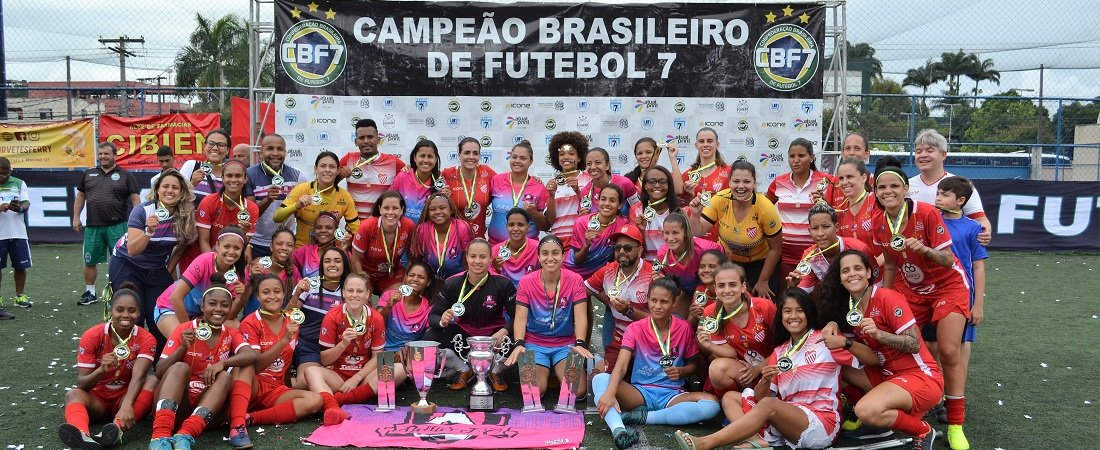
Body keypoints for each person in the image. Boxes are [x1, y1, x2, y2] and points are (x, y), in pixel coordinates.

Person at [673, 289, 878, 450]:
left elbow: (872, 359)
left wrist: (845, 342)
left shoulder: (826, 339)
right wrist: (764, 379)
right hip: (787, 419)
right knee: (731, 398)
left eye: (799, 310)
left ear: (808, 313)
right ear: (781, 316)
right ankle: (756, 441)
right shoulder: (779, 351)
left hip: (821, 422)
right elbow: (763, 398)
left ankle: (706, 443)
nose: (793, 316)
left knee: (771, 405)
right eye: (787, 311)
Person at [873, 157, 971, 449]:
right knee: (888, 340)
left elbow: (947, 258)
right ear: (875, 191)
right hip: (910, 289)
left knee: (950, 351)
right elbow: (890, 266)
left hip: (946, 286)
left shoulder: (926, 212)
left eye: (894, 186)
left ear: (906, 189)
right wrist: (884, 301)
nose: (887, 191)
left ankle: (955, 424)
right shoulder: (879, 223)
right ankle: (903, 401)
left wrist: (925, 250)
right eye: (881, 187)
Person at [820, 250, 944, 450]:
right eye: (845, 271)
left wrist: (879, 334)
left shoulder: (887, 297)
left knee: (866, 410)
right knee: (833, 370)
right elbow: (872, 359)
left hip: (919, 375)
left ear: (869, 273)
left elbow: (914, 344)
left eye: (858, 268)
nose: (852, 274)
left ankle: (921, 429)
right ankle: (879, 423)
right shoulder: (849, 307)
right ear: (840, 279)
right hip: (886, 373)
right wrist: (838, 331)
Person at [593, 278, 720, 449]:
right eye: (653, 300)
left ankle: (644, 418)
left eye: (664, 301)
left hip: (672, 395)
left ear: (674, 303)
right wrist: (610, 393)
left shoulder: (684, 328)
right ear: (648, 299)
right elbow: (621, 366)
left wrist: (682, 372)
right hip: (640, 393)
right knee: (600, 379)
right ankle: (619, 431)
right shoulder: (635, 328)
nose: (657, 306)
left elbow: (693, 365)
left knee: (711, 405)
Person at [148, 274, 258, 450]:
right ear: (202, 306)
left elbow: (251, 356)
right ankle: (160, 436)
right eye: (212, 304)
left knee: (224, 377)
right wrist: (182, 348)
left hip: (207, 410)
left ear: (230, 309)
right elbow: (160, 371)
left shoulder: (230, 333)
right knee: (180, 367)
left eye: (224, 305)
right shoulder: (184, 330)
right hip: (177, 405)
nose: (218, 309)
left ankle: (186, 435)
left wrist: (222, 363)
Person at [924, 176, 989, 449]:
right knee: (928, 347)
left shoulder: (973, 228)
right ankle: (933, 399)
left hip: (960, 300)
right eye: (938, 193)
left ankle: (954, 417)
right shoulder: (929, 221)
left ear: (961, 200)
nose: (939, 197)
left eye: (945, 194)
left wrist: (978, 304)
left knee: (955, 354)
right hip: (929, 295)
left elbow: (978, 267)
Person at [228, 274, 323, 448]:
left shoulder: (291, 321)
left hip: (274, 389)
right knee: (246, 365)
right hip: (252, 384)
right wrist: (283, 341)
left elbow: (287, 363)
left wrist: (287, 387)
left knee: (315, 400)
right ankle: (237, 425)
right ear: (258, 297)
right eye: (266, 292)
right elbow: (255, 366)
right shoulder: (250, 322)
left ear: (284, 294)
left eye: (277, 291)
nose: (272, 296)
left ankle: (251, 418)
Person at [59, 283, 158, 449]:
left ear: (139, 313)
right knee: (73, 395)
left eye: (131, 310)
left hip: (126, 399)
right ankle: (83, 437)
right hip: (97, 401)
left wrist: (126, 405)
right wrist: (101, 371)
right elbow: (82, 384)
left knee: (152, 380)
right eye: (119, 309)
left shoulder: (146, 338)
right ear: (110, 311)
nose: (125, 315)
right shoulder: (92, 335)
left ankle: (116, 430)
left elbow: (139, 376)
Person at [109, 169, 197, 349]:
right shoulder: (142, 210)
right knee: (134, 315)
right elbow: (133, 249)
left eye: (175, 187)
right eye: (165, 186)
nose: (169, 191)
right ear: (157, 190)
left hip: (156, 267)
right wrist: (149, 231)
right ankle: (127, 359)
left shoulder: (186, 215)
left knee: (159, 313)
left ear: (181, 192)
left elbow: (180, 249)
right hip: (127, 263)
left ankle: (159, 362)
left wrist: (167, 271)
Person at [424, 239, 517, 392]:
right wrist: (442, 320)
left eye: (483, 257)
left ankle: (496, 370)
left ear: (490, 259)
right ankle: (462, 368)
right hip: (463, 338)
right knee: (428, 341)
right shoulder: (452, 283)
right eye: (473, 256)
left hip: (494, 340)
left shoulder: (503, 283)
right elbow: (433, 316)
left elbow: (517, 318)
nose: (477, 261)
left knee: (523, 341)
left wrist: (504, 332)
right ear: (466, 257)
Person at [505, 235, 593, 397]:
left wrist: (579, 343)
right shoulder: (526, 281)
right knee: (533, 392)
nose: (550, 258)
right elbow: (520, 318)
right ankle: (547, 371)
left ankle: (555, 370)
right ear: (538, 257)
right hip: (534, 343)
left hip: (565, 343)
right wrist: (518, 344)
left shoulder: (575, 280)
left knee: (577, 391)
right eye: (545, 253)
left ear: (563, 255)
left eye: (555, 253)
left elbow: (580, 316)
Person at [689, 160, 783, 299]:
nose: (740, 186)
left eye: (746, 182)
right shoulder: (720, 199)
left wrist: (763, 281)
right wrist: (695, 214)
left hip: (760, 264)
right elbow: (698, 232)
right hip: (729, 261)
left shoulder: (765, 208)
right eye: (736, 181)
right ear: (730, 182)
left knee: (761, 306)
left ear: (754, 183)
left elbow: (775, 249)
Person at [305, 274, 386, 425]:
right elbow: (324, 360)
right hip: (338, 376)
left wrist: (357, 378)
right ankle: (336, 406)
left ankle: (335, 401)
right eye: (350, 290)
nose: (354, 295)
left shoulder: (376, 318)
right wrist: (343, 344)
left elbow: (378, 358)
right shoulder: (332, 316)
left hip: (364, 376)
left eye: (359, 291)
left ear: (368, 294)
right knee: (310, 371)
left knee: (396, 369)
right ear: (343, 293)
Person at [74, 142, 141, 306]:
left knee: (121, 260)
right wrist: (76, 217)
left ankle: (119, 292)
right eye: (101, 154)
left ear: (114, 155)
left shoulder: (125, 175)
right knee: (89, 260)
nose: (103, 157)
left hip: (118, 226)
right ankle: (90, 292)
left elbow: (135, 199)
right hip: (93, 226)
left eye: (106, 154)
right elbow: (80, 196)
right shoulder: (89, 174)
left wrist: (137, 220)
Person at [154, 227, 248, 340]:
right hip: (170, 307)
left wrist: (240, 298)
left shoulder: (240, 274)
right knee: (186, 341)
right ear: (217, 246)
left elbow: (229, 317)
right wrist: (190, 329)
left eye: (237, 248)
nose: (231, 252)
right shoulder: (204, 261)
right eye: (226, 246)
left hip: (200, 315)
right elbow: (175, 297)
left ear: (242, 250)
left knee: (237, 327)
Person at [767, 138, 840, 282]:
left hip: (818, 253)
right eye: (792, 156)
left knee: (816, 298)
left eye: (801, 156)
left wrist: (826, 202)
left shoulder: (827, 180)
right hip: (784, 255)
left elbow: (839, 212)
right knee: (787, 296)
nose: (796, 160)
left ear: (812, 157)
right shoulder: (779, 182)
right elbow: (764, 208)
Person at [697, 263, 776, 396]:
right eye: (721, 285)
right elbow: (731, 354)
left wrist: (757, 369)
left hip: (773, 366)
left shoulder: (764, 307)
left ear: (743, 286)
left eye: (733, 284)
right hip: (744, 372)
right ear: (715, 289)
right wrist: (709, 345)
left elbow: (785, 346)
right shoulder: (711, 312)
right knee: (717, 368)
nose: (727, 290)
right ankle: (737, 400)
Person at [584, 224, 654, 373]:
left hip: (648, 342)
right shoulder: (608, 270)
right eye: (617, 248)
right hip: (620, 340)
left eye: (628, 248)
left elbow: (660, 320)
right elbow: (581, 292)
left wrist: (628, 310)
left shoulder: (652, 275)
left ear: (640, 250)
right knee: (598, 376)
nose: (621, 252)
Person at [905, 129, 991, 245]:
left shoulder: (960, 185)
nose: (923, 155)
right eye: (918, 151)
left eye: (930, 151)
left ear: (943, 154)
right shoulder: (906, 187)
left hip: (949, 252)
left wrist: (985, 232)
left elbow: (980, 219)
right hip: (914, 252)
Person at [287, 246, 349, 390]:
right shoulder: (310, 284)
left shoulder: (349, 290)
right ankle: (275, 385)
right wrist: (297, 294)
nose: (332, 264)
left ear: (345, 265)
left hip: (337, 348)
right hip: (309, 346)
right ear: (322, 265)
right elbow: (287, 315)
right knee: (306, 382)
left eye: (337, 261)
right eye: (327, 261)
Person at [786, 202, 881, 294]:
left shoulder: (859, 249)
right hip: (833, 304)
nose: (820, 233)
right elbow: (803, 293)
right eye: (815, 228)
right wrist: (793, 288)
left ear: (837, 227)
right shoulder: (809, 256)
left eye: (826, 226)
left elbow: (878, 285)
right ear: (809, 231)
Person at [274, 151, 359, 247]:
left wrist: (350, 238)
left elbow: (356, 229)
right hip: (302, 251)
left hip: (330, 253)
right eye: (323, 166)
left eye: (332, 167)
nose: (327, 170)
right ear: (316, 168)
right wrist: (296, 206)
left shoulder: (345, 197)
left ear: (338, 171)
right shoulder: (302, 189)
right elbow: (277, 217)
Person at [245, 133, 303, 260]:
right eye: (270, 148)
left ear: (286, 152)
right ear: (261, 153)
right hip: (257, 242)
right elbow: (250, 214)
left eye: (280, 149)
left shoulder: (297, 176)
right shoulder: (249, 174)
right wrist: (268, 200)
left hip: (285, 243)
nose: (275, 153)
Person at [654, 213, 721, 317]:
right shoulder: (662, 254)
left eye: (675, 233)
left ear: (685, 232)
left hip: (710, 291)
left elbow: (727, 256)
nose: (670, 238)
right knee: (677, 320)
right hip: (685, 293)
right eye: (666, 233)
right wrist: (664, 280)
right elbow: (673, 285)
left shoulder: (705, 248)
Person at [338, 119, 406, 220]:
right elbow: (328, 183)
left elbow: (413, 180)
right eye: (361, 138)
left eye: (370, 137)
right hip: (355, 227)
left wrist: (409, 169)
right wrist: (339, 175)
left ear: (378, 139)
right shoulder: (348, 159)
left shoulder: (393, 162)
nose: (366, 141)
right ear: (356, 142)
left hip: (382, 226)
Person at [350, 191, 415, 295]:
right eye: (386, 208)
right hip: (365, 272)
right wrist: (361, 278)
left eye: (395, 208)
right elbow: (355, 259)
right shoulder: (366, 226)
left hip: (391, 274)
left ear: (402, 210)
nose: (390, 212)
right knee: (363, 302)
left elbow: (412, 256)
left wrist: (407, 278)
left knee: (396, 300)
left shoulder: (408, 226)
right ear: (380, 209)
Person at [487, 140, 549, 245]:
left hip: (527, 250)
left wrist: (534, 213)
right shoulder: (496, 180)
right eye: (514, 157)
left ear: (531, 161)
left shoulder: (539, 187)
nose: (517, 161)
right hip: (496, 246)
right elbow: (482, 204)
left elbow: (545, 226)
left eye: (523, 158)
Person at [564, 184, 631, 279]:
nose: (607, 203)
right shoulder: (581, 223)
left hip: (600, 277)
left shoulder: (623, 224)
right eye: (603, 199)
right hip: (572, 273)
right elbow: (577, 261)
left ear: (620, 205)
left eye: (612, 200)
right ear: (598, 201)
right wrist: (586, 245)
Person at [196, 160, 260, 255]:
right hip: (205, 255)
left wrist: (240, 233)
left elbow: (241, 245)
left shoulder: (252, 209)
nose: (233, 180)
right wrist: (212, 264)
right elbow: (204, 241)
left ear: (245, 179)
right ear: (222, 178)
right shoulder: (208, 202)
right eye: (229, 176)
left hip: (230, 256)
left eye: (238, 176)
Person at [409, 193, 474, 285]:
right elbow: (416, 259)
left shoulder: (462, 227)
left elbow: (467, 260)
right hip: (431, 280)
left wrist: (467, 283)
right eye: (432, 209)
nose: (438, 212)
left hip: (458, 280)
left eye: (442, 208)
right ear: (428, 212)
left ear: (451, 210)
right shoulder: (422, 230)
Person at [238, 227, 298, 318]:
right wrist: (251, 280)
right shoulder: (257, 264)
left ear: (294, 249)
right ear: (271, 246)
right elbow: (242, 301)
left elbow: (293, 306)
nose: (284, 248)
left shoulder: (293, 271)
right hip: (251, 323)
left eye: (289, 245)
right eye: (279, 244)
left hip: (276, 325)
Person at [375, 261, 433, 355]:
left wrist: (407, 350)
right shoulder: (389, 295)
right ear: (405, 277)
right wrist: (388, 306)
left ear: (428, 282)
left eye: (421, 277)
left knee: (403, 369)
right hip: (384, 351)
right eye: (411, 275)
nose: (415, 279)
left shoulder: (428, 307)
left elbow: (428, 338)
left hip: (412, 354)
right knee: (385, 369)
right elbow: (376, 325)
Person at [440, 137, 495, 238]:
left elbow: (507, 183)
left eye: (475, 153)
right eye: (466, 153)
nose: (471, 156)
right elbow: (427, 182)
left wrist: (530, 179)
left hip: (478, 240)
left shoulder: (487, 173)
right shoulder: (447, 175)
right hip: (453, 239)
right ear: (459, 155)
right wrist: (407, 169)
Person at [544, 131, 589, 248]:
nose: (566, 157)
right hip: (558, 244)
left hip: (582, 242)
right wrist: (552, 196)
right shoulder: (552, 184)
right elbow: (549, 220)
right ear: (557, 158)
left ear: (579, 158)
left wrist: (578, 191)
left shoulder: (589, 180)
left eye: (571, 153)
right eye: (562, 154)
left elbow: (593, 210)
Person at [0, 157, 32, 311]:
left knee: (20, 266)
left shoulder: (19, 183)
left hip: (18, 233)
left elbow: (26, 203)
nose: (2, 177)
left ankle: (20, 296)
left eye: (5, 174)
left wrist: (18, 207)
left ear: (10, 171)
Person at [631, 166, 679, 262]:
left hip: (673, 265)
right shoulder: (636, 210)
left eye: (662, 182)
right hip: (647, 267)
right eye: (652, 182)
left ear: (669, 185)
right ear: (644, 186)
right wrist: (641, 230)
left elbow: (685, 245)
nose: (657, 185)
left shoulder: (679, 210)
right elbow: (636, 249)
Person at [389, 139, 442, 223]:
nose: (426, 160)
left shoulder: (439, 182)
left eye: (430, 156)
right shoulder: (402, 176)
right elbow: (389, 201)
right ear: (414, 157)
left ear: (435, 160)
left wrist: (446, 197)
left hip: (426, 232)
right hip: (402, 231)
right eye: (422, 156)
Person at [578, 147, 639, 217]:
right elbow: (582, 216)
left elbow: (638, 209)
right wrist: (583, 217)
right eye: (589, 164)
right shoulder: (585, 192)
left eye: (598, 163)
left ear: (607, 165)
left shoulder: (625, 183)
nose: (593, 167)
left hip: (623, 227)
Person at [680, 128, 731, 210]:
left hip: (721, 222)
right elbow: (683, 207)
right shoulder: (688, 174)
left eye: (710, 141)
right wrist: (690, 195)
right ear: (696, 145)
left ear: (717, 144)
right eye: (701, 141)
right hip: (695, 221)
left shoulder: (729, 171)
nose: (705, 144)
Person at [833, 157, 879, 246]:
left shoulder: (877, 202)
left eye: (849, 177)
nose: (845, 182)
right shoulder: (839, 210)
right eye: (841, 178)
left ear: (864, 177)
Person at [490, 208, 540, 287]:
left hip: (530, 296)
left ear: (528, 227)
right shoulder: (495, 250)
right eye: (511, 225)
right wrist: (496, 269)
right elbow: (490, 281)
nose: (516, 229)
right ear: (506, 226)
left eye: (520, 225)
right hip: (504, 296)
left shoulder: (539, 248)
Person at [178, 129, 232, 202]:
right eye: (211, 143)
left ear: (228, 150)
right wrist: (192, 184)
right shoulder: (192, 166)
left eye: (221, 145)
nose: (215, 148)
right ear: (204, 146)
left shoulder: (232, 175)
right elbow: (176, 198)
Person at [686, 249, 729, 326]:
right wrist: (694, 316)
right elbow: (690, 324)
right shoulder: (700, 290)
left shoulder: (730, 291)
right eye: (702, 266)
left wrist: (706, 315)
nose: (706, 270)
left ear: (723, 269)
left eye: (712, 266)